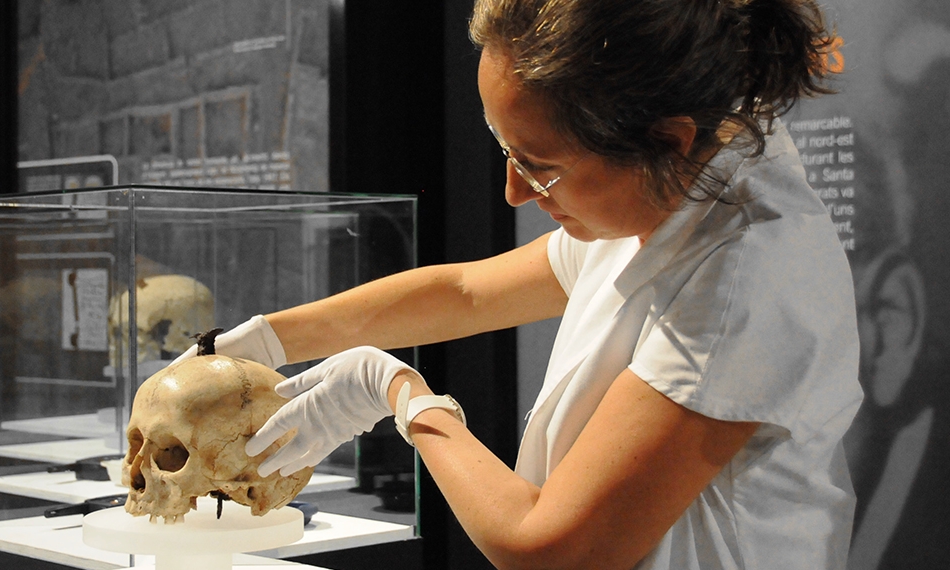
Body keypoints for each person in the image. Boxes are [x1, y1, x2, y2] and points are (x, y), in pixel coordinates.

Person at [176, 0, 863, 567]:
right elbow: (468, 292)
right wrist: (261, 340)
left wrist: (399, 393)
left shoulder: (745, 280)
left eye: (538, 165)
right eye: (505, 151)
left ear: (668, 140)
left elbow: (550, 547)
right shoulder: (668, 189)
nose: (511, 193)